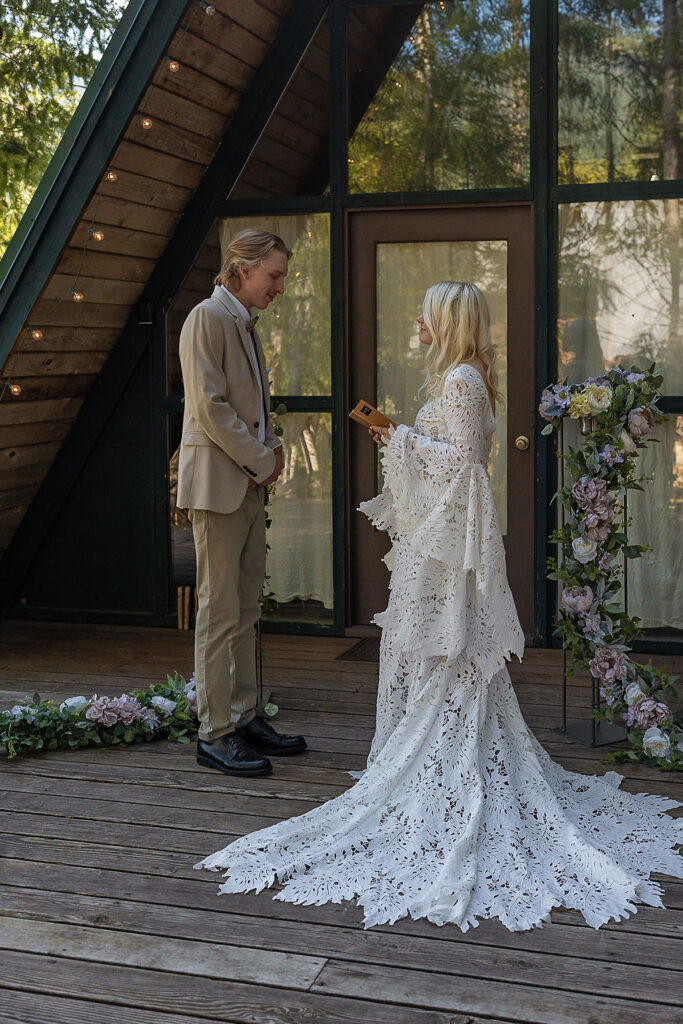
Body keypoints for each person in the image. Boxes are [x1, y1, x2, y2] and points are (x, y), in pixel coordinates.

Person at [194, 281, 682, 930]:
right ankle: (433, 759)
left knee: (439, 649)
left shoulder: (460, 380)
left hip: (445, 552)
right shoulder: (464, 375)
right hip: (439, 542)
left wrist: (396, 437)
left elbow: (463, 466)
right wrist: (401, 442)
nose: (416, 320)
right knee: (432, 652)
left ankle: (438, 772)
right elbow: (453, 459)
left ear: (446, 320)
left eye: (424, 312)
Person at [177, 229, 307, 778]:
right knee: (219, 610)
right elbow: (210, 408)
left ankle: (245, 715)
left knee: (249, 608)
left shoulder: (244, 324)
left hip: (248, 484)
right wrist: (262, 460)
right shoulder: (206, 318)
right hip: (220, 486)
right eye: (273, 275)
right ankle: (214, 733)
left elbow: (248, 409)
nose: (279, 285)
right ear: (242, 267)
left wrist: (269, 452)